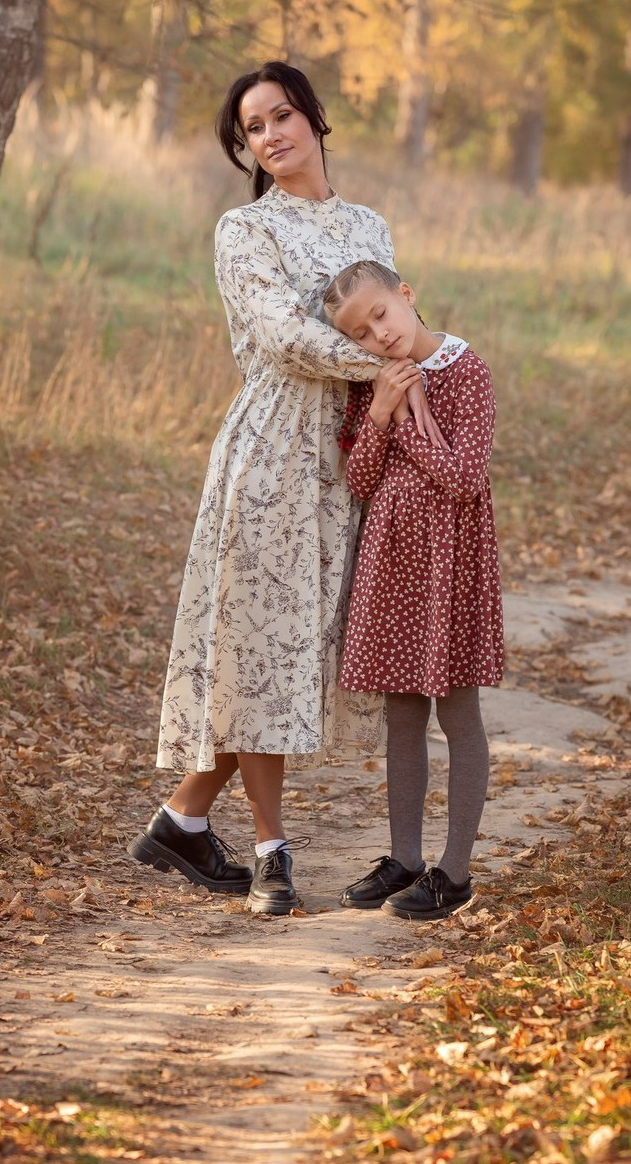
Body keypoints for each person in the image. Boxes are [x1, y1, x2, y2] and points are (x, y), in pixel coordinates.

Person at [127, 62, 443, 916]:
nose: (270, 136)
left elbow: (394, 322)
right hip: (272, 453)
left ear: (314, 117)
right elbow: (284, 337)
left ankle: (182, 822)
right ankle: (272, 853)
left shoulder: (368, 224)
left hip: (355, 456)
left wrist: (421, 378)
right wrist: (387, 368)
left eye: (281, 116)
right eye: (253, 128)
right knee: (258, 645)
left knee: (296, 656)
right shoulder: (244, 231)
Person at [323, 259, 503, 920]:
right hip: (394, 559)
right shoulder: (375, 385)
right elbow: (361, 481)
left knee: (457, 712)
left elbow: (463, 477)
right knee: (402, 714)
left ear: (406, 295)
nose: (380, 335)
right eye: (362, 333)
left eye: (381, 314)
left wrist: (402, 421)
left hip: (449, 562)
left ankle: (454, 873)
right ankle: (404, 859)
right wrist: (381, 413)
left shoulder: (467, 370)